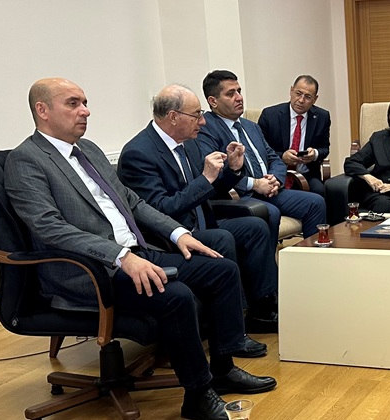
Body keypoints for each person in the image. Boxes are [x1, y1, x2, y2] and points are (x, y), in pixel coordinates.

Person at [4, 78, 276, 420]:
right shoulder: (26, 160)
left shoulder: (88, 150)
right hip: (89, 270)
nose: (85, 111)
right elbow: (50, 227)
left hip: (135, 251)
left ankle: (222, 369)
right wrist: (120, 256)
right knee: (176, 295)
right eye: (73, 103)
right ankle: (197, 395)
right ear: (42, 110)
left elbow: (132, 202)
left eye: (85, 102)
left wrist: (177, 233)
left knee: (221, 269)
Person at [118, 84, 278, 336]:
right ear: (173, 117)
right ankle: (230, 329)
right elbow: (160, 209)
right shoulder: (138, 153)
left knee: (254, 227)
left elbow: (209, 190)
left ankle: (262, 308)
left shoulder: (188, 144)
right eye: (196, 115)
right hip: (169, 236)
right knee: (221, 238)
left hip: (202, 222)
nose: (203, 122)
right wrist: (205, 178)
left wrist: (233, 170)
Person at [196, 70, 327, 244]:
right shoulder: (205, 129)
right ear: (213, 101)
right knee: (270, 212)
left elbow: (274, 158)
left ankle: (309, 257)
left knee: (315, 202)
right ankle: (268, 261)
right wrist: (255, 184)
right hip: (239, 195)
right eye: (231, 94)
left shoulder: (250, 126)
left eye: (239, 91)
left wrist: (275, 179)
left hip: (269, 189)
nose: (239, 98)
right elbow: (216, 175)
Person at [257, 75, 331, 196]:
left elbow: (325, 148)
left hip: (307, 174)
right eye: (298, 93)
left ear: (315, 99)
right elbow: (259, 150)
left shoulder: (322, 117)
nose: (301, 100)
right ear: (291, 91)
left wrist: (314, 154)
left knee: (321, 193)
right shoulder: (270, 115)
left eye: (308, 97)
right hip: (274, 174)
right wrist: (282, 157)